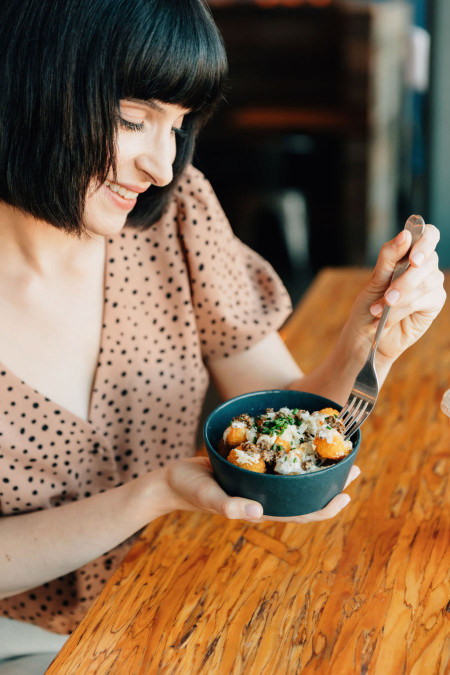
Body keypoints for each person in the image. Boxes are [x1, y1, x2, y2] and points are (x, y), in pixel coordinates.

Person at [0, 0, 445, 671]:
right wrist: (154, 493)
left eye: (179, 126)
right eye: (133, 117)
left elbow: (279, 413)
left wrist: (369, 338)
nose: (161, 163)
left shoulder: (175, 217)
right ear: (31, 80)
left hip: (173, 593)